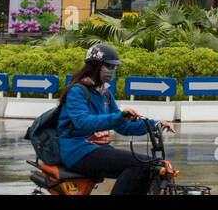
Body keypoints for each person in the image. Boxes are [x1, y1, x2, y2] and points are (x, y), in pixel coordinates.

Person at [56, 42, 167, 195]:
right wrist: (119, 116)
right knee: (140, 165)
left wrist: (154, 125)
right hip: (78, 150)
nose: (112, 71)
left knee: (151, 167)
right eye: (109, 67)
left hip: (98, 149)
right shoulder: (77, 91)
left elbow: (123, 126)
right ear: (95, 66)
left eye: (114, 67)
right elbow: (82, 122)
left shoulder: (105, 94)